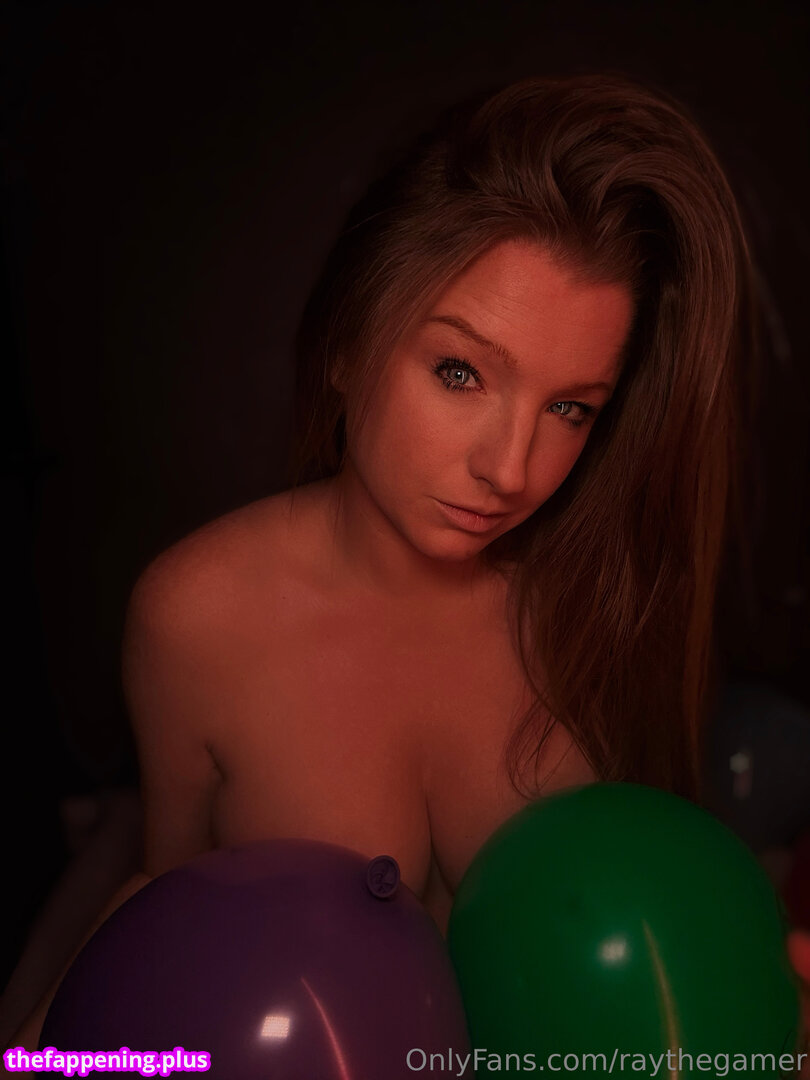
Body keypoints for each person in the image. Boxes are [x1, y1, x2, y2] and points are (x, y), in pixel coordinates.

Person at [8, 73, 809, 1058]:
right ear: (347, 341)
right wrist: (37, 1054)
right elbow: (168, 907)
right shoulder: (195, 614)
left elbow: (661, 940)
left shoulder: (594, 596)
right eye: (460, 372)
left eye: (570, 408)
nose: (510, 469)